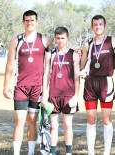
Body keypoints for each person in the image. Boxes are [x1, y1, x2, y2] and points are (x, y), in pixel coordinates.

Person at [3, 10, 53, 155]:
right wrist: (6, 85)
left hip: (37, 88)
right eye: (27, 20)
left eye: (32, 20)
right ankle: (16, 153)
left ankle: (31, 153)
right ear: (23, 22)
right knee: (19, 120)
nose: (29, 23)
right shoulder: (16, 41)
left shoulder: (45, 41)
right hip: (21, 87)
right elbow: (10, 65)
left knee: (32, 120)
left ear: (37, 22)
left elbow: (56, 57)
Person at [80, 15, 115, 155]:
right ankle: (91, 152)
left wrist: (112, 67)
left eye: (100, 24)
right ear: (92, 27)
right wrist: (77, 56)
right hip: (90, 83)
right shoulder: (88, 43)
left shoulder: (113, 41)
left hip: (106, 82)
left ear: (105, 25)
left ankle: (106, 152)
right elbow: (82, 64)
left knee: (106, 119)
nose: (98, 27)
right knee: (91, 119)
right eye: (95, 24)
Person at [41, 27, 80, 155]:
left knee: (67, 124)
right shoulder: (50, 54)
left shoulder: (74, 54)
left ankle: (68, 152)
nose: (60, 40)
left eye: (63, 38)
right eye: (58, 38)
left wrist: (76, 96)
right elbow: (46, 75)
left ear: (67, 38)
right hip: (53, 95)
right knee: (53, 126)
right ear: (55, 38)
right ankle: (53, 152)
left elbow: (76, 77)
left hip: (69, 95)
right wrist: (44, 98)